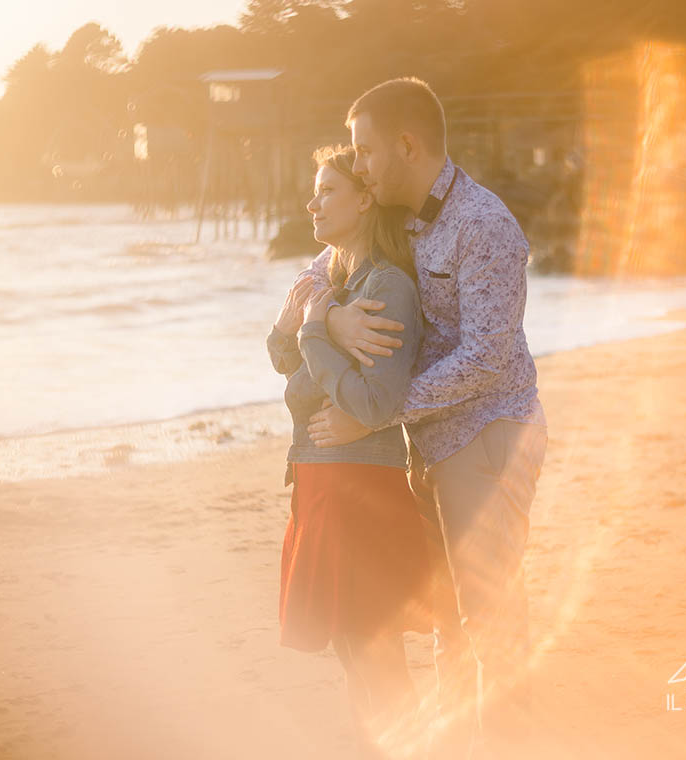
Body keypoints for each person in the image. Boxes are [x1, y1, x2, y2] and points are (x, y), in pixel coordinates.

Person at [299, 77, 549, 760]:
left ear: (408, 146)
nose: (359, 167)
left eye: (366, 151)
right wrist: (331, 315)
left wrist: (374, 416)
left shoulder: (485, 224)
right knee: (449, 617)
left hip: (490, 433)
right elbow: (320, 271)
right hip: (428, 445)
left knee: (489, 615)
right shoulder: (397, 213)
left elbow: (486, 361)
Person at [266, 143, 433, 754]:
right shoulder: (334, 280)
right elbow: (284, 356)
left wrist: (315, 325)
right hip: (319, 482)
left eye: (328, 191)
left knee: (374, 650)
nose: (312, 202)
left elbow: (374, 404)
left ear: (365, 198)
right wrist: (312, 322)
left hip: (358, 487)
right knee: (351, 649)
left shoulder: (386, 287)